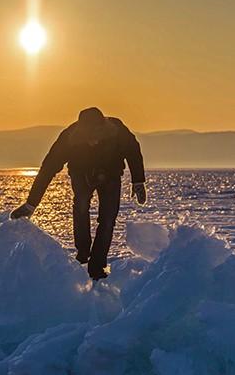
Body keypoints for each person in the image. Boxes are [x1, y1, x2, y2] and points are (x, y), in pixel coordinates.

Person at [10, 107, 146, 280]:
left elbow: (133, 151)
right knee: (81, 206)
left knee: (108, 219)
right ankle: (83, 253)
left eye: (97, 137)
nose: (94, 142)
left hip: (110, 175)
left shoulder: (117, 131)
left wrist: (138, 181)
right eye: (89, 138)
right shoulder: (69, 138)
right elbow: (48, 169)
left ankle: (97, 266)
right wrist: (31, 204)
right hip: (81, 175)